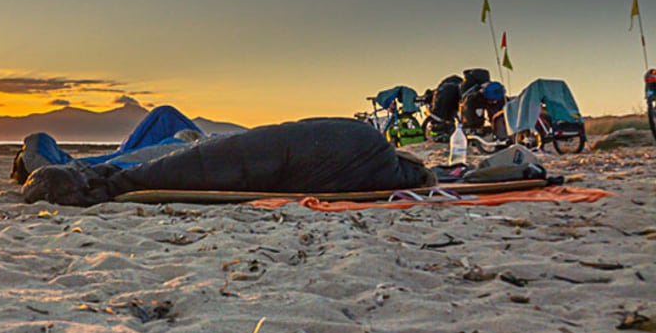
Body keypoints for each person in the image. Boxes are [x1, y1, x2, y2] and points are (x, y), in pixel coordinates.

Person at [22, 117, 435, 206]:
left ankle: (97, 177)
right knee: (200, 155)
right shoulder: (367, 156)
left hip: (279, 150)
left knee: (207, 157)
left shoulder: (367, 148)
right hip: (278, 152)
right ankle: (99, 177)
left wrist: (109, 184)